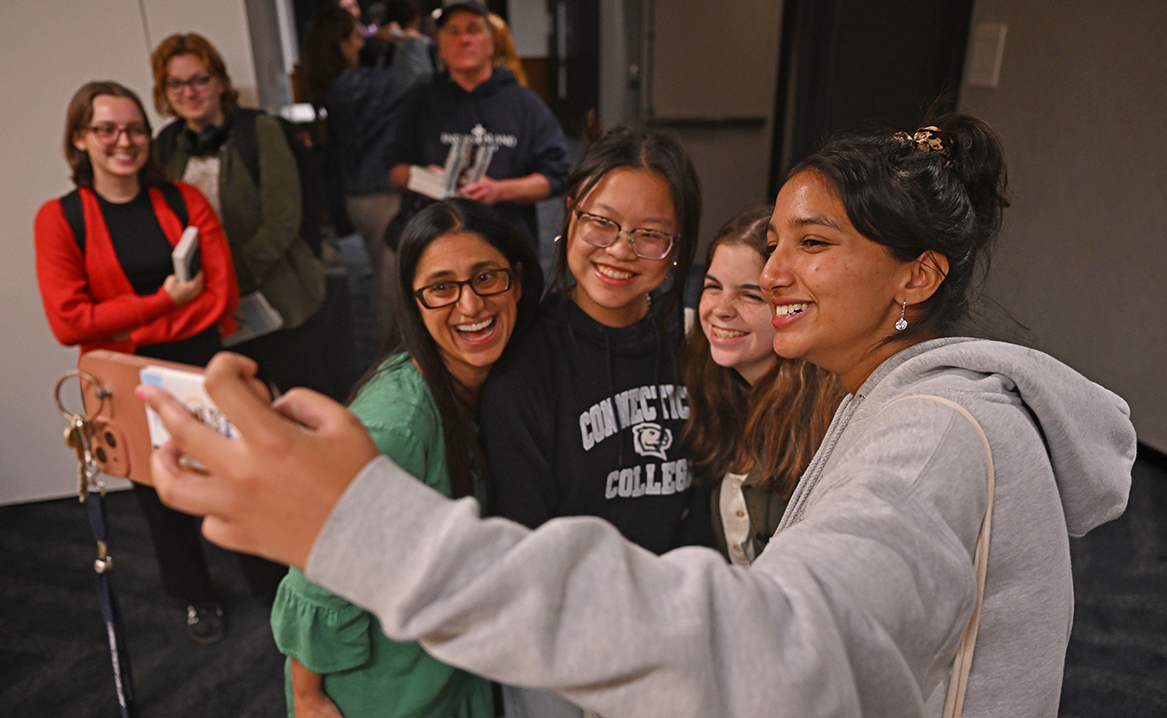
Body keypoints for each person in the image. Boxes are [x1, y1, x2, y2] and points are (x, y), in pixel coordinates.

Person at [142, 114, 1136, 718]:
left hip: (676, 643)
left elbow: (780, 643)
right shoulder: (880, 394)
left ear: (916, 276)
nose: (772, 277)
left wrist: (364, 527)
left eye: (812, 243)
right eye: (770, 243)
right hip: (599, 649)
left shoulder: (930, 435)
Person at [270, 199, 541, 718]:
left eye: (486, 277)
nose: (471, 306)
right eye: (442, 288)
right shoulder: (397, 425)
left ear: (518, 280)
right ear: (413, 302)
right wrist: (307, 697)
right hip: (383, 692)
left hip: (447, 668)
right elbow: (316, 571)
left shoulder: (492, 383)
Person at [34, 80, 239, 643]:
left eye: (135, 129)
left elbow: (218, 296)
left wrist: (127, 320)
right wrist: (166, 302)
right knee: (160, 491)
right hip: (121, 378)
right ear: (80, 139)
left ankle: (270, 576)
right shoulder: (60, 218)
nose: (124, 140)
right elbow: (68, 323)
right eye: (106, 129)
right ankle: (196, 596)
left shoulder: (184, 202)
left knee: (234, 471)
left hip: (197, 360)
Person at [149, 33, 335, 399]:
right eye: (176, 83)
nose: (189, 92)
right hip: (209, 307)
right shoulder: (166, 145)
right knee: (243, 404)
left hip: (272, 294)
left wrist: (230, 279)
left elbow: (282, 221)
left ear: (220, 82)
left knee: (305, 399)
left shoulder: (258, 131)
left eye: (200, 79)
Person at [680, 206, 843, 565]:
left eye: (751, 295)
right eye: (712, 287)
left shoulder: (827, 415)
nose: (721, 309)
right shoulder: (710, 387)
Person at [301, 4, 434, 349]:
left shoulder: (342, 83)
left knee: (390, 273)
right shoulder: (351, 85)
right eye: (355, 37)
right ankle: (390, 353)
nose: (362, 43)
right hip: (377, 198)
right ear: (341, 44)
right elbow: (416, 76)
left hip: (365, 193)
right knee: (391, 283)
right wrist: (411, 40)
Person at [386, 0, 570, 248]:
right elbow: (394, 171)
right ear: (440, 45)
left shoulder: (524, 103)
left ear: (491, 43)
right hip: (435, 243)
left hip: (507, 241)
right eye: (453, 32)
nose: (463, 39)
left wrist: (500, 190)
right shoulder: (420, 99)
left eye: (473, 30)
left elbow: (557, 176)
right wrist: (422, 179)